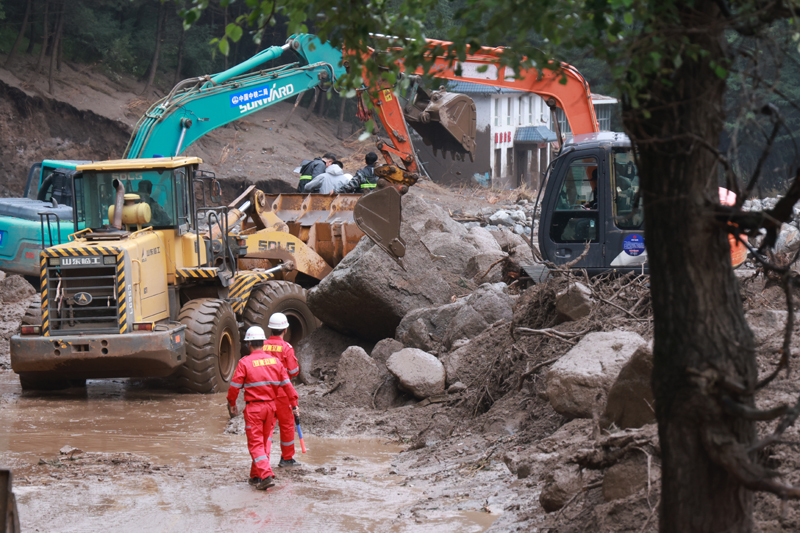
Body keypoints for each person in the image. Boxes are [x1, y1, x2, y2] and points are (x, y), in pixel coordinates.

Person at [227, 326, 299, 490]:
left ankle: (266, 475)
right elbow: (289, 387)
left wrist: (232, 404)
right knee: (263, 443)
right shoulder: (275, 362)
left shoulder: (244, 362)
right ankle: (255, 476)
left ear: (249, 344)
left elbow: (233, 389)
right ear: (262, 342)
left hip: (254, 409)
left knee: (255, 445)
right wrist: (294, 405)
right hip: (271, 408)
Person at [263, 312, 302, 467]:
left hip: (265, 392)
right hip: (283, 393)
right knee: (286, 425)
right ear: (285, 330)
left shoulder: (262, 345)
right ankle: (286, 458)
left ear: (270, 329)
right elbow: (293, 372)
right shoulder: (286, 348)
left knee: (266, 426)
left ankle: (262, 459)